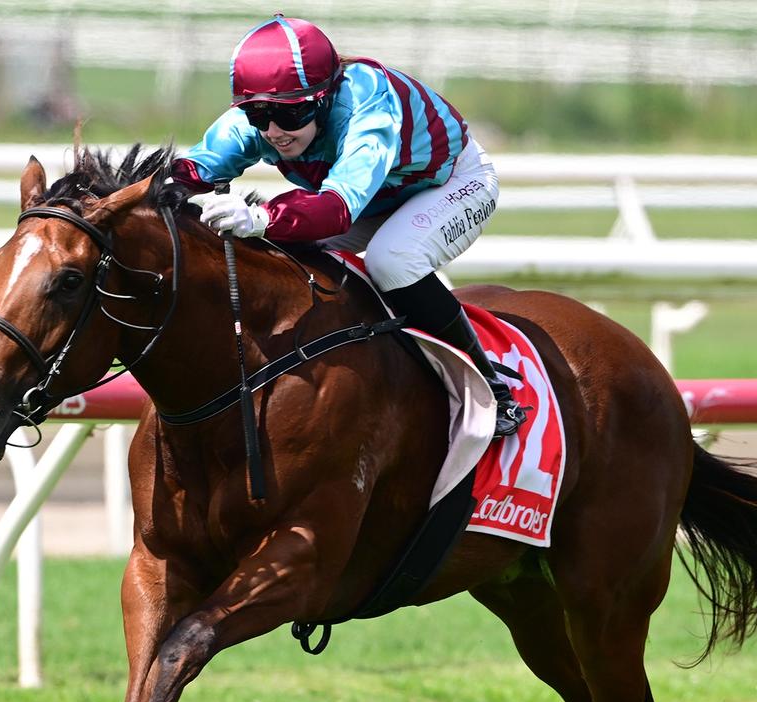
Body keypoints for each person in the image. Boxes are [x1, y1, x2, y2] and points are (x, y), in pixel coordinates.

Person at [170, 15, 526, 438]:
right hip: (370, 199)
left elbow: (338, 207)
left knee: (391, 259)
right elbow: (187, 173)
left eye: (289, 113)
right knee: (279, 254)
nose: (273, 131)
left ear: (323, 98)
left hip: (452, 184)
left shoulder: (367, 102)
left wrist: (263, 217)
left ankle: (491, 388)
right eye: (257, 113)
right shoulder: (260, 123)